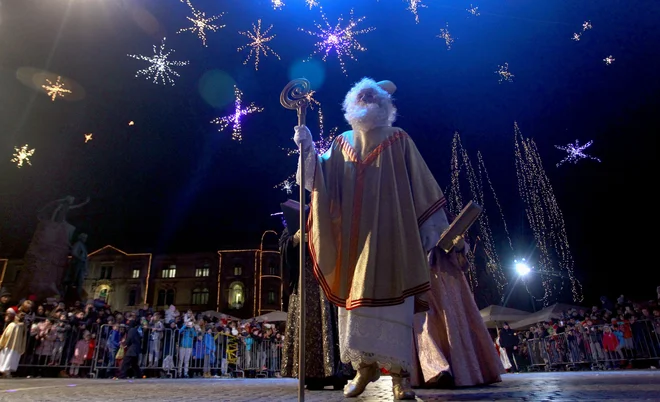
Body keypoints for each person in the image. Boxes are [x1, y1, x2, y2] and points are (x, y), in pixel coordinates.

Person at [294, 77, 446, 399]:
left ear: (384, 105)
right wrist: (306, 147)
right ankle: (364, 370)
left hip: (393, 238)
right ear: (351, 105)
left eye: (371, 97)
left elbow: (421, 183)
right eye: (360, 97)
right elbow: (318, 182)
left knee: (396, 308)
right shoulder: (341, 142)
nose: (366, 102)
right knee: (355, 307)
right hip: (353, 243)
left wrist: (430, 228)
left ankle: (400, 378)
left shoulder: (398, 138)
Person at [411, 235, 504, 388]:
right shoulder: (406, 215)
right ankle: (436, 369)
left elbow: (463, 258)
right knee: (425, 320)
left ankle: (460, 370)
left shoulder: (446, 217)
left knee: (452, 319)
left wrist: (459, 246)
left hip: (448, 277)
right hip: (420, 272)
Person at [279, 224, 351, 390]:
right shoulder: (296, 219)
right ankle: (312, 374)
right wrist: (294, 240)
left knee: (332, 322)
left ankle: (338, 372)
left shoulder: (331, 212)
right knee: (309, 325)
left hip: (329, 275)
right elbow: (283, 245)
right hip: (305, 279)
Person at [62, 233, 89, 301]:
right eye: (84, 237)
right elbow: (74, 252)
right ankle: (70, 294)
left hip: (81, 264)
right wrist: (81, 258)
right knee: (74, 279)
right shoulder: (78, 244)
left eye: (85, 238)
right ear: (81, 237)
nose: (85, 239)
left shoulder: (83, 246)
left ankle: (76, 295)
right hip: (77, 263)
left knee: (79, 281)